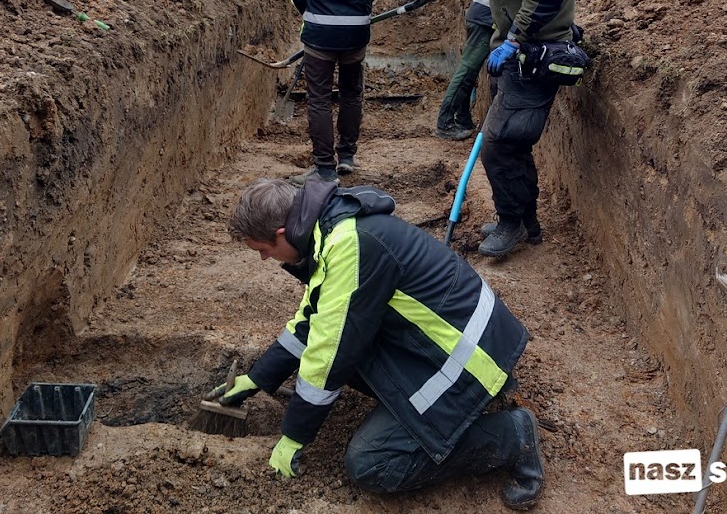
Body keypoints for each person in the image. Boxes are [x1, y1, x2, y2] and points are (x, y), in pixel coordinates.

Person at [215, 177, 545, 509]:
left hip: (470, 358)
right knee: (343, 349)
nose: (263, 260)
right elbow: (313, 318)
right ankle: (453, 405)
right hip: (464, 339)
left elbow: (330, 349)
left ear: (281, 234)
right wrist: (259, 377)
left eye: (263, 250)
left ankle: (510, 436)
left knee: (371, 464)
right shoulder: (331, 229)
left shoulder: (349, 245)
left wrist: (294, 434)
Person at [287, 0, 439, 184]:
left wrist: (315, 16)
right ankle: (346, 156)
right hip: (355, 32)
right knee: (351, 93)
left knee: (318, 99)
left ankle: (324, 168)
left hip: (319, 33)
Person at [477, 0, 579, 258]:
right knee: (514, 145)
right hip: (516, 58)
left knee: (499, 147)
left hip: (531, 59)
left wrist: (514, 39)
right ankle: (527, 222)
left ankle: (511, 223)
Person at [435, 0, 494, 140]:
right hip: (485, 20)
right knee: (467, 70)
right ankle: (445, 123)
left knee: (469, 72)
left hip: (482, 15)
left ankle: (463, 119)